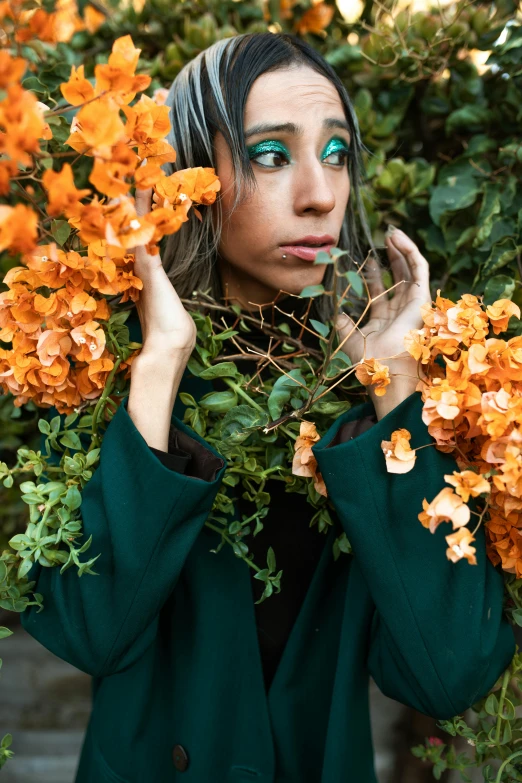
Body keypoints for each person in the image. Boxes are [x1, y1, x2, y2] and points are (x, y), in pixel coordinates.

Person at [21, 32, 515, 783]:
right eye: (271, 155)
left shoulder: (367, 391)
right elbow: (92, 630)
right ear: (188, 172)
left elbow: (448, 674)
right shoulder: (95, 367)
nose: (320, 192)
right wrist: (158, 367)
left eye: (338, 153)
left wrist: (400, 390)